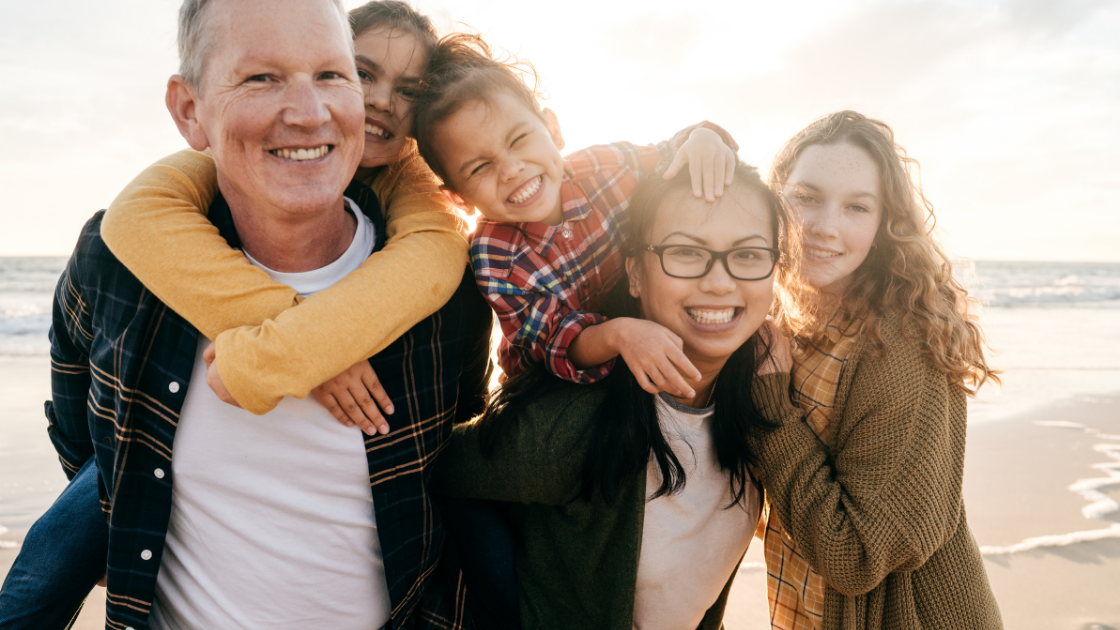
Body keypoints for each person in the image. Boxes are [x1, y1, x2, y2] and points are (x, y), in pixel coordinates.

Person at [1, 0, 490, 628]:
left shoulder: (446, 283)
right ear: (188, 110)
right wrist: (305, 346)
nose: (311, 111)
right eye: (262, 77)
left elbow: (458, 466)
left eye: (331, 76)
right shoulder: (121, 256)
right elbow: (88, 436)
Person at [433, 161, 805, 630]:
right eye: (686, 252)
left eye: (749, 255)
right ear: (634, 273)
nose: (718, 281)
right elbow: (436, 472)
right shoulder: (573, 426)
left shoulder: (761, 397)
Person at [750, 110, 1003, 629]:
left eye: (856, 207)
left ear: (884, 224)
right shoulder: (787, 319)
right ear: (773, 199)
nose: (825, 227)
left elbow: (857, 557)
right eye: (806, 197)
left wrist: (772, 406)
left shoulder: (898, 343)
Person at [413, 33, 740, 398]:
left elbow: (671, 153)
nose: (511, 170)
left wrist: (702, 139)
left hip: (645, 337)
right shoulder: (494, 255)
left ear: (552, 128)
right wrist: (620, 334)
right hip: (550, 387)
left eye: (519, 139)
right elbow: (558, 341)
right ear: (460, 199)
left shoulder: (604, 167)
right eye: (479, 168)